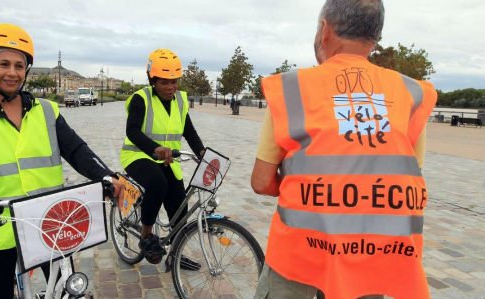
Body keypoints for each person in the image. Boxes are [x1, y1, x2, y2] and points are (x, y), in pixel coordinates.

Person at [250, 0, 437, 298]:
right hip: (372, 253)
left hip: (299, 251)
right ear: (374, 38)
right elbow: (403, 175)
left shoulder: (291, 89)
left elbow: (261, 181)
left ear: (325, 30)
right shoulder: (411, 94)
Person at [0, 23, 122, 299]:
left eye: (19, 65)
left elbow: (77, 150)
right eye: (3, 63)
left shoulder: (46, 111)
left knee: (66, 290)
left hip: (49, 220)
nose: (12, 72)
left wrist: (106, 175)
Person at [120, 48, 205, 266]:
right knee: (157, 183)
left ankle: (176, 255)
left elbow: (190, 132)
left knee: (179, 206)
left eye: (174, 81)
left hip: (168, 160)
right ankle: (146, 235)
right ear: (153, 80)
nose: (170, 87)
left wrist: (203, 154)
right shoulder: (141, 99)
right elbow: (133, 131)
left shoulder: (180, 102)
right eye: (164, 82)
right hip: (138, 156)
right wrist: (155, 148)